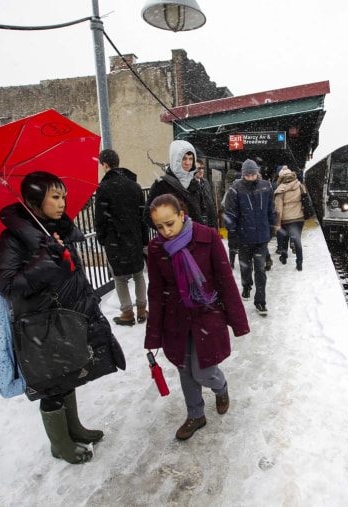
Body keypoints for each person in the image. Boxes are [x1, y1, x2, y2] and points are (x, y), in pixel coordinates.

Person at [0, 171, 126, 464]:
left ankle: (73, 428)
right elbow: (8, 285)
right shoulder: (12, 239)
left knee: (68, 375)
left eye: (63, 196)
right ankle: (60, 444)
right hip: (42, 324)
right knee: (50, 384)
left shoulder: (54, 229)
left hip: (66, 318)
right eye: (55, 196)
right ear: (34, 201)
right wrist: (44, 261)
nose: (63, 202)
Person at [144, 194, 249, 440]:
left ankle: (220, 387)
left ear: (182, 215)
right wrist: (153, 334)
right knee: (184, 369)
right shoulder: (156, 248)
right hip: (176, 320)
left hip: (206, 316)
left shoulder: (207, 236)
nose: (166, 231)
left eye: (170, 223)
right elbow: (156, 292)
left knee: (203, 371)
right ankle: (196, 414)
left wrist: (237, 320)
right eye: (159, 227)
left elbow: (225, 279)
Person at [95, 149, 148, 326]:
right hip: (134, 238)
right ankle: (142, 310)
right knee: (138, 274)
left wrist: (102, 238)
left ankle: (127, 312)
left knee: (120, 277)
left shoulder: (103, 188)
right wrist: (143, 240)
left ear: (104, 165)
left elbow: (100, 219)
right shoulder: (134, 185)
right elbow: (143, 216)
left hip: (114, 240)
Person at [223, 159, 277, 315]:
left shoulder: (266, 187)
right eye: (248, 175)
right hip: (244, 237)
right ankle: (246, 286)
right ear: (243, 174)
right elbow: (230, 213)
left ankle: (260, 301)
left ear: (257, 173)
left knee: (260, 269)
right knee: (245, 268)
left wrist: (272, 226)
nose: (251, 177)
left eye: (254, 174)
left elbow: (271, 209)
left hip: (261, 238)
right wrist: (232, 234)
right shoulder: (235, 190)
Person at [145, 140, 218, 230]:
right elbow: (148, 216)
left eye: (190, 158)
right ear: (175, 159)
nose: (188, 163)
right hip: (173, 241)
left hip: (194, 240)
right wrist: (169, 229)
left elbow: (203, 212)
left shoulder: (195, 183)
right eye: (184, 158)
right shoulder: (161, 185)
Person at [274, 167, 305, 271]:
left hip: (286, 219)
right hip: (299, 217)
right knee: (297, 240)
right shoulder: (299, 185)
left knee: (284, 238)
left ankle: (284, 257)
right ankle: (299, 263)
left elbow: (278, 209)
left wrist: (278, 223)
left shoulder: (280, 189)